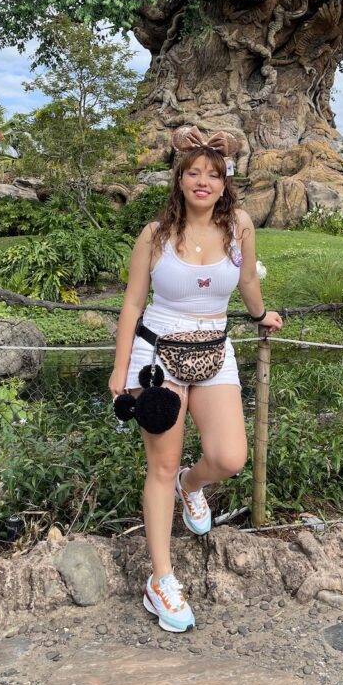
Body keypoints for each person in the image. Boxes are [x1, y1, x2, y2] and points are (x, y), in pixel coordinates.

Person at [108, 125, 283, 633]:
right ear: (179, 179)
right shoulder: (155, 234)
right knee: (159, 466)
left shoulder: (241, 227)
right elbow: (133, 302)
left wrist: (260, 314)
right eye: (194, 173)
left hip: (214, 348)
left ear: (225, 181)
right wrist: (120, 369)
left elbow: (247, 280)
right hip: (156, 353)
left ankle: (194, 483)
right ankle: (161, 579)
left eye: (213, 173)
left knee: (229, 457)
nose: (203, 181)